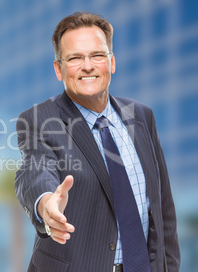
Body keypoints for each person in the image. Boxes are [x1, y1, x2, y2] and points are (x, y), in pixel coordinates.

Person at [14, 12, 180, 272]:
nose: (88, 66)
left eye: (97, 55)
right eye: (75, 58)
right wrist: (46, 204)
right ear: (59, 69)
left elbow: (163, 208)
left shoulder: (142, 116)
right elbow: (35, 170)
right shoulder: (38, 119)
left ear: (111, 62)